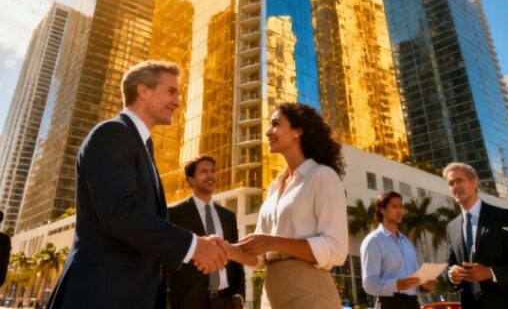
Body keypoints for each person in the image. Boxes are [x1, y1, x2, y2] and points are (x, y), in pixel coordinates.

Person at [47, 60, 228, 309]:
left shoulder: (142, 145)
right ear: (143, 90)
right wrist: (193, 245)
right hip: (103, 293)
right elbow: (120, 212)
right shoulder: (113, 133)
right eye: (171, 91)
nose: (177, 101)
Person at [221, 102, 348, 309]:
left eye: (276, 124)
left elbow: (335, 249)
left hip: (309, 292)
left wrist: (274, 242)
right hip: (272, 294)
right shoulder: (274, 187)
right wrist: (228, 250)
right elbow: (261, 258)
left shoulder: (322, 176)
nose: (268, 131)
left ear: (298, 131)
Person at [442, 163, 508, 309]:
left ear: (474, 182)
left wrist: (491, 272)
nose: (455, 186)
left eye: (460, 180)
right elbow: (450, 265)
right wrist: (451, 276)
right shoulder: (451, 228)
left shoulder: (504, 216)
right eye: (451, 183)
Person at [167, 155, 245, 309]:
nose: (210, 175)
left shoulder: (228, 217)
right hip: (189, 302)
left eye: (213, 171)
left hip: (226, 302)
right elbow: (169, 257)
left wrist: (239, 295)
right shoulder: (175, 214)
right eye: (204, 171)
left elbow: (237, 259)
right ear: (191, 179)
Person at [360, 191, 436, 309]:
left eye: (401, 206)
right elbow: (369, 284)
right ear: (382, 210)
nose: (400, 210)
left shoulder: (407, 243)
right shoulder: (373, 241)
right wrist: (396, 285)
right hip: (389, 304)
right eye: (394, 206)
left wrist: (424, 286)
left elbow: (414, 280)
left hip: (413, 304)